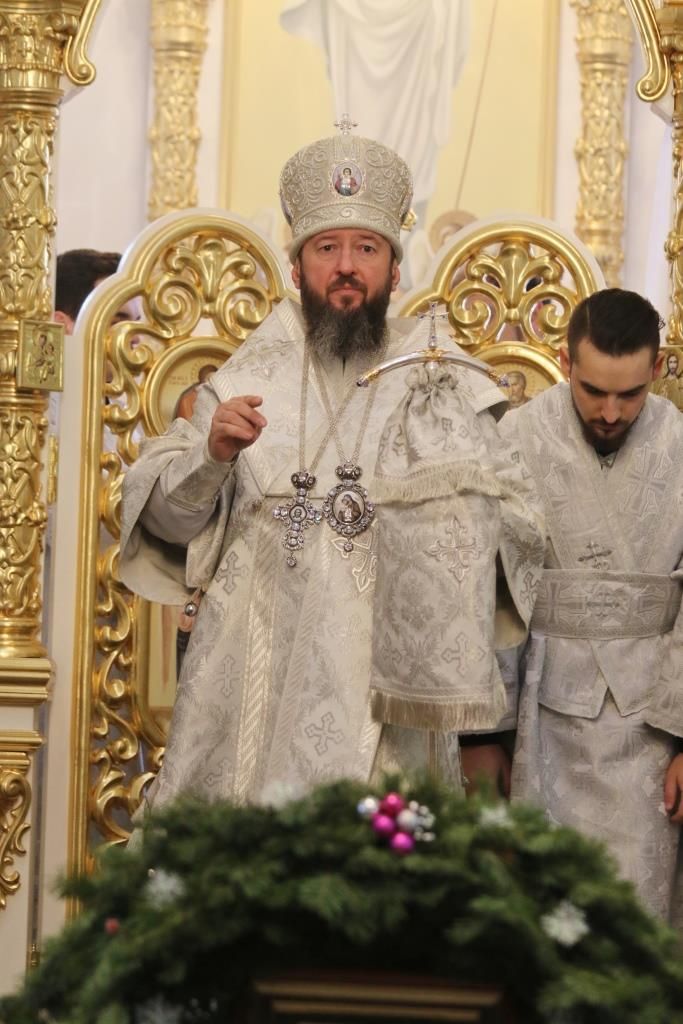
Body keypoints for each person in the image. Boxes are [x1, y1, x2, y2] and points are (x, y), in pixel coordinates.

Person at [120, 126, 544, 813]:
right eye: (326, 248)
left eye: (366, 248)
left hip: (387, 691)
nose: (346, 266)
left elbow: (521, 531)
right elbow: (165, 524)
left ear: (394, 270)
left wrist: (454, 507)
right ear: (297, 268)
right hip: (254, 692)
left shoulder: (444, 383)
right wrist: (211, 458)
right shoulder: (242, 381)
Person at [461, 288, 683, 921]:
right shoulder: (515, 438)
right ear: (564, 362)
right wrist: (482, 734)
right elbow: (490, 586)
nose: (611, 411)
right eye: (593, 391)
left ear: (657, 367)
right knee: (542, 906)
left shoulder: (681, 443)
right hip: (541, 713)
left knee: (638, 913)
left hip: (655, 726)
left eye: (630, 394)